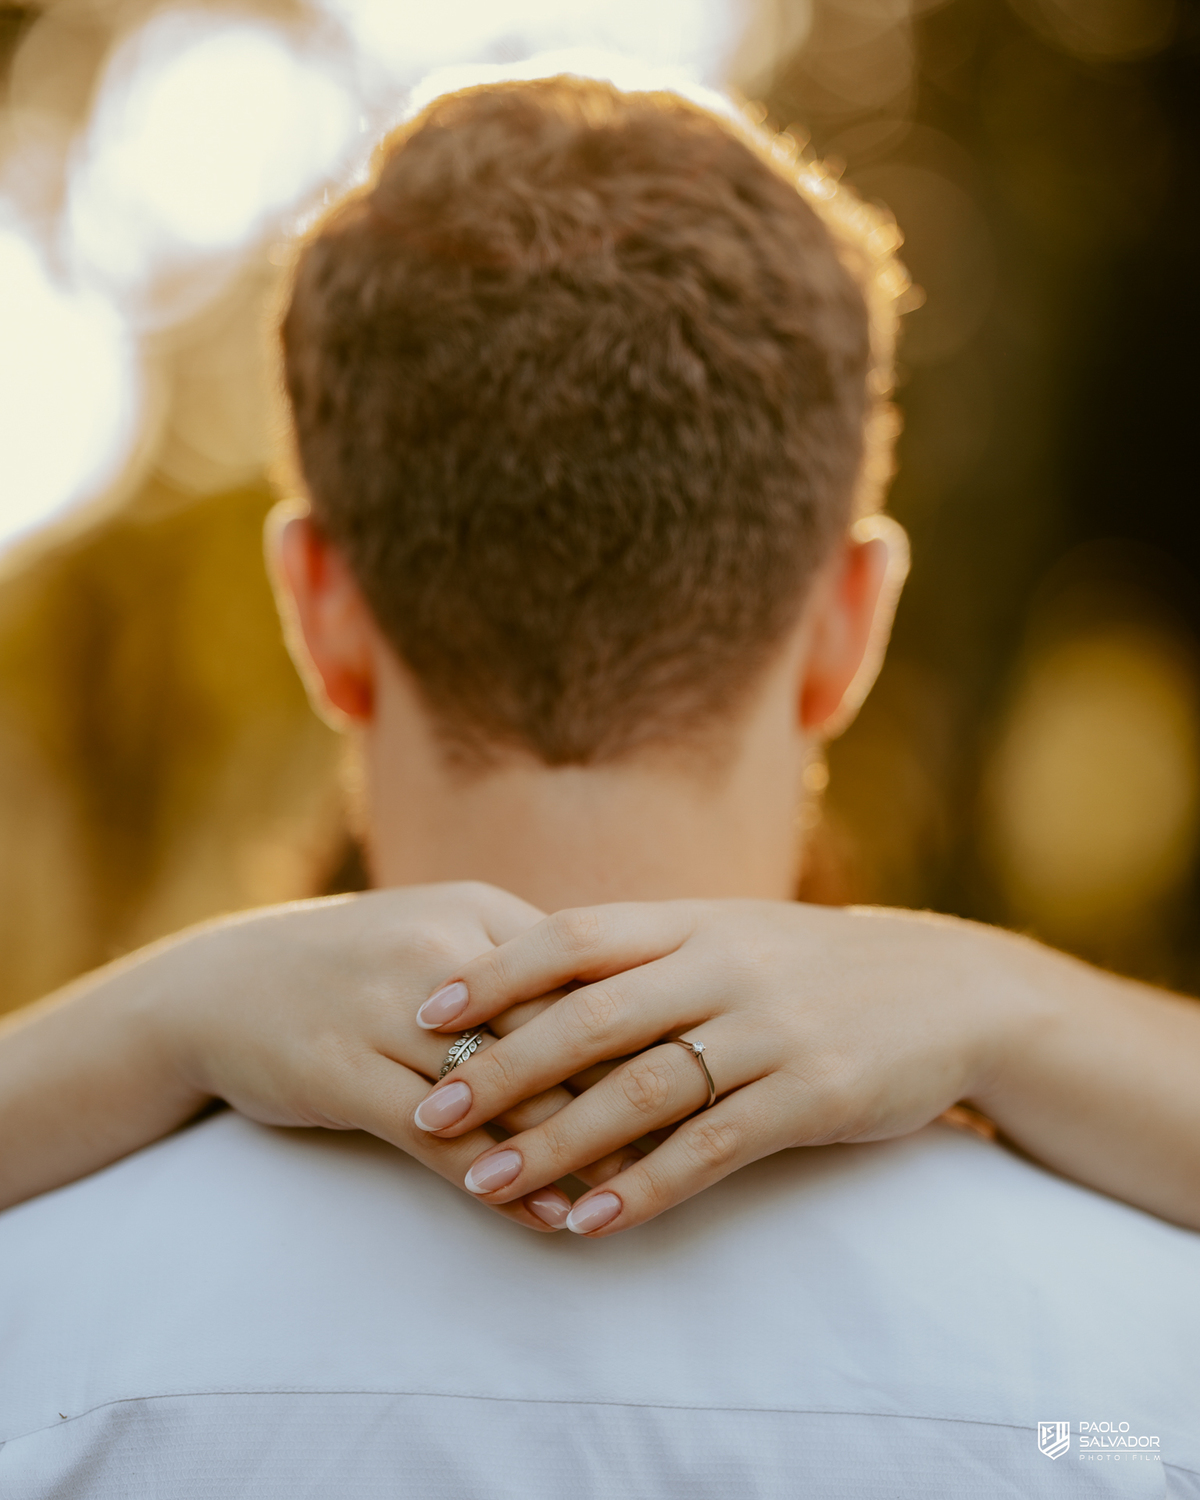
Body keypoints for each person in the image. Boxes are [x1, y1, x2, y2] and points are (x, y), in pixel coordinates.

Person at [1, 76, 1198, 1494]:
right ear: (849, 625)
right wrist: (1012, 1001)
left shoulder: (41, 1344)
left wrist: (166, 1010)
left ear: (317, 608)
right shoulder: (1144, 1380)